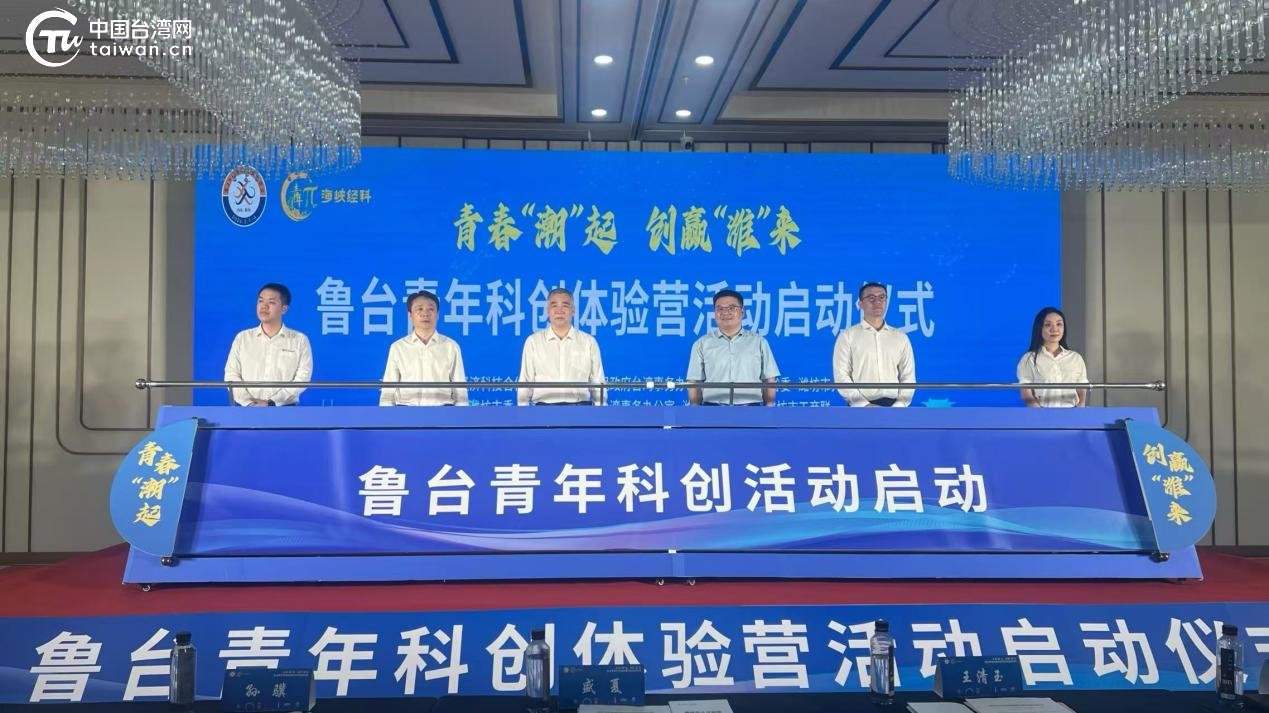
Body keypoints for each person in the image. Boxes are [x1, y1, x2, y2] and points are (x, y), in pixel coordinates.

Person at [224, 282, 313, 406]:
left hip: (286, 409)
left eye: (271, 302)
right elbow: (231, 374)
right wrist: (249, 402)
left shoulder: (299, 340)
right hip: (247, 409)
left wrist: (272, 402)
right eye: (260, 301)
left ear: (284, 309)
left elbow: (302, 378)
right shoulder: (243, 338)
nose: (264, 306)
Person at [686, 289, 780, 406]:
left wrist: (769, 409)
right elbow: (694, 381)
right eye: (720, 309)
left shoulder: (758, 342)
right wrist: (695, 411)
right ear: (714, 313)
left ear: (742, 312)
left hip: (751, 409)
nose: (725, 312)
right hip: (712, 409)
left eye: (731, 308)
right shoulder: (701, 344)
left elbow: (769, 379)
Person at [517, 288, 606, 405]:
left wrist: (601, 411)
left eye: (565, 306)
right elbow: (525, 382)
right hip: (543, 410)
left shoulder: (588, 342)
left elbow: (598, 382)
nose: (559, 311)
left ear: (573, 310)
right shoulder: (533, 341)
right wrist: (523, 412)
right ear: (547, 311)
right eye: (554, 306)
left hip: (581, 409)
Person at [832, 282, 916, 407]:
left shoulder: (900, 337)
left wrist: (899, 406)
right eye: (871, 298)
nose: (877, 302)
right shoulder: (847, 336)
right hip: (860, 408)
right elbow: (841, 376)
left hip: (894, 407)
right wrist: (864, 405)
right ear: (860, 304)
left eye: (882, 297)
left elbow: (908, 377)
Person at [380, 290, 468, 406]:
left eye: (430, 309)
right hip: (406, 412)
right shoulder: (398, 347)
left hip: (443, 412)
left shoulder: (451, 346)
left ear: (437, 315)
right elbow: (388, 391)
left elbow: (460, 390)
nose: (425, 314)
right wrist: (386, 415)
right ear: (410, 315)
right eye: (419, 309)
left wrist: (461, 415)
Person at [1017, 306, 1088, 407]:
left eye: (1059, 324)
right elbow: (1026, 392)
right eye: (1048, 325)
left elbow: (1082, 387)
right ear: (1039, 328)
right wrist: (1039, 413)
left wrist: (1080, 408)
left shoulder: (1075, 358)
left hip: (1072, 414)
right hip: (1042, 414)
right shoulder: (1029, 359)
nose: (1054, 329)